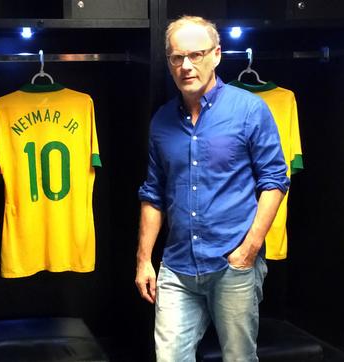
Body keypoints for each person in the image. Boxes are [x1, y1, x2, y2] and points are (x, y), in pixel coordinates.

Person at [135, 15, 290, 362]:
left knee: (238, 358)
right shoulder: (161, 121)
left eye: (196, 55)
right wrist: (144, 260)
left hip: (232, 265)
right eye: (177, 57)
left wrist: (248, 251)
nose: (186, 66)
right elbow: (153, 193)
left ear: (217, 55)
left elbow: (275, 181)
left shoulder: (249, 109)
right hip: (177, 267)